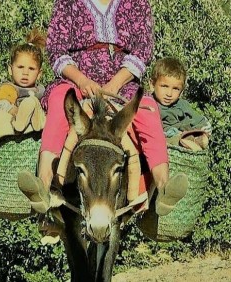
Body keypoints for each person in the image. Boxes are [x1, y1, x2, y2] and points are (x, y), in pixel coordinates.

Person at [18, 0, 187, 217]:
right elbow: (56, 49)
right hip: (78, 80)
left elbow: (142, 49)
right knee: (60, 99)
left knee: (148, 109)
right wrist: (81, 80)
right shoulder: (68, 2)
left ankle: (164, 188)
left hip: (121, 84)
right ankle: (42, 185)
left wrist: (114, 84)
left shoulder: (137, 3)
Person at [149, 57, 212, 151]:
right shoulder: (149, 103)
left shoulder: (182, 104)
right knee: (169, 138)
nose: (169, 94)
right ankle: (186, 142)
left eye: (175, 89)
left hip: (183, 131)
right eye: (164, 86)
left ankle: (196, 140)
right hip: (166, 137)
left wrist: (204, 126)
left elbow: (197, 119)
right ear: (152, 85)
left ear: (181, 91)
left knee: (194, 130)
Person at [0, 28, 46, 133]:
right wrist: (14, 111)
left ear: (39, 74)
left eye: (31, 69)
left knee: (36, 104)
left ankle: (39, 121)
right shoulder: (9, 89)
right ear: (10, 69)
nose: (25, 73)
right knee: (29, 103)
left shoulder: (41, 90)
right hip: (16, 124)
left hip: (36, 128)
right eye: (20, 67)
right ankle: (21, 121)